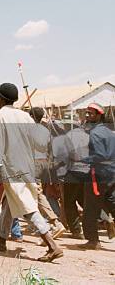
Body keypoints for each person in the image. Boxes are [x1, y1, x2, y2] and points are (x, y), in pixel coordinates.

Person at [0, 83, 62, 262]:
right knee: (9, 203)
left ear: (1, 99)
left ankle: (52, 245)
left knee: (28, 207)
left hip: (11, 169)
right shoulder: (26, 117)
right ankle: (2, 239)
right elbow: (36, 143)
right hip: (27, 167)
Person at [80, 103, 115, 250]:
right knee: (111, 203)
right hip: (111, 174)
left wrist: (83, 159)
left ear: (99, 115)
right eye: (87, 113)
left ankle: (93, 240)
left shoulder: (95, 133)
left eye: (91, 113)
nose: (87, 116)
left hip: (98, 175)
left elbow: (100, 155)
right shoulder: (109, 131)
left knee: (90, 208)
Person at [28, 107, 66, 239]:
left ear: (32, 117)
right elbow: (50, 149)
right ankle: (41, 224)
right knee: (35, 194)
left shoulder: (28, 129)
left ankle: (53, 223)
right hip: (44, 162)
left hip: (34, 163)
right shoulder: (45, 130)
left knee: (36, 195)